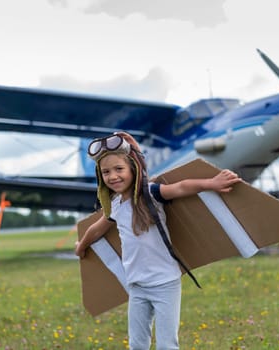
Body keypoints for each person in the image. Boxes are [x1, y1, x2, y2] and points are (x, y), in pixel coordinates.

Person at [75, 131, 241, 350]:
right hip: (136, 285)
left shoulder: (151, 195)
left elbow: (181, 187)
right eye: (106, 172)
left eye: (119, 169)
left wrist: (211, 183)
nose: (113, 176)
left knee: (166, 345)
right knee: (137, 344)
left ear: (133, 169)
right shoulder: (115, 206)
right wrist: (83, 245)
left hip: (165, 283)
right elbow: (97, 229)